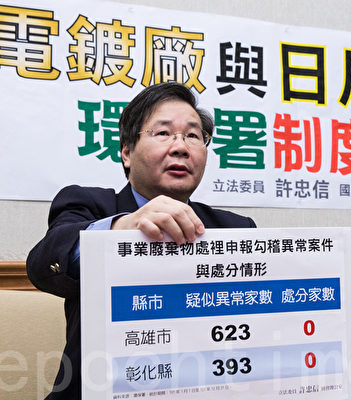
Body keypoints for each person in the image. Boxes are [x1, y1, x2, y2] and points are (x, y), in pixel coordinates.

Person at [26, 82, 256, 399]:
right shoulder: (89, 205)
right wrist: (123, 227)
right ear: (126, 153)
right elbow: (43, 265)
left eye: (193, 136)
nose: (181, 147)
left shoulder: (235, 229)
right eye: (163, 133)